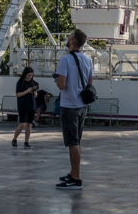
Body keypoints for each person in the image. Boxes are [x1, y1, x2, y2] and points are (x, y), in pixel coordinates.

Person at [54, 29, 93, 190]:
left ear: (72, 41)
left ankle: (76, 178)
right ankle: (73, 172)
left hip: (69, 105)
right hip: (82, 105)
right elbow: (90, 82)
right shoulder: (87, 59)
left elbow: (62, 85)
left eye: (69, 36)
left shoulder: (65, 60)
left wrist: (57, 80)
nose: (67, 37)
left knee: (72, 143)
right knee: (77, 141)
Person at [12, 67, 38, 148]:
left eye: (31, 75)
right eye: (28, 75)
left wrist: (34, 91)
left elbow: (35, 95)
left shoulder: (33, 82)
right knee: (22, 123)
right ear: (25, 74)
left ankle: (26, 141)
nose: (30, 77)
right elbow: (17, 94)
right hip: (23, 105)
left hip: (31, 104)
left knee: (29, 124)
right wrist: (27, 91)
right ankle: (15, 138)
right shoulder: (20, 82)